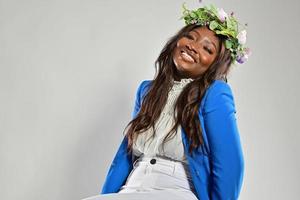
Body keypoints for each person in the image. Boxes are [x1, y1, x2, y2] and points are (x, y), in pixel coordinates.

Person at [83, 2, 250, 200]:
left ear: (215, 65)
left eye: (207, 48)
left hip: (176, 189)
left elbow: (230, 163)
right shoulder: (147, 90)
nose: (192, 46)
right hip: (132, 187)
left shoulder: (215, 93)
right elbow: (125, 157)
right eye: (190, 37)